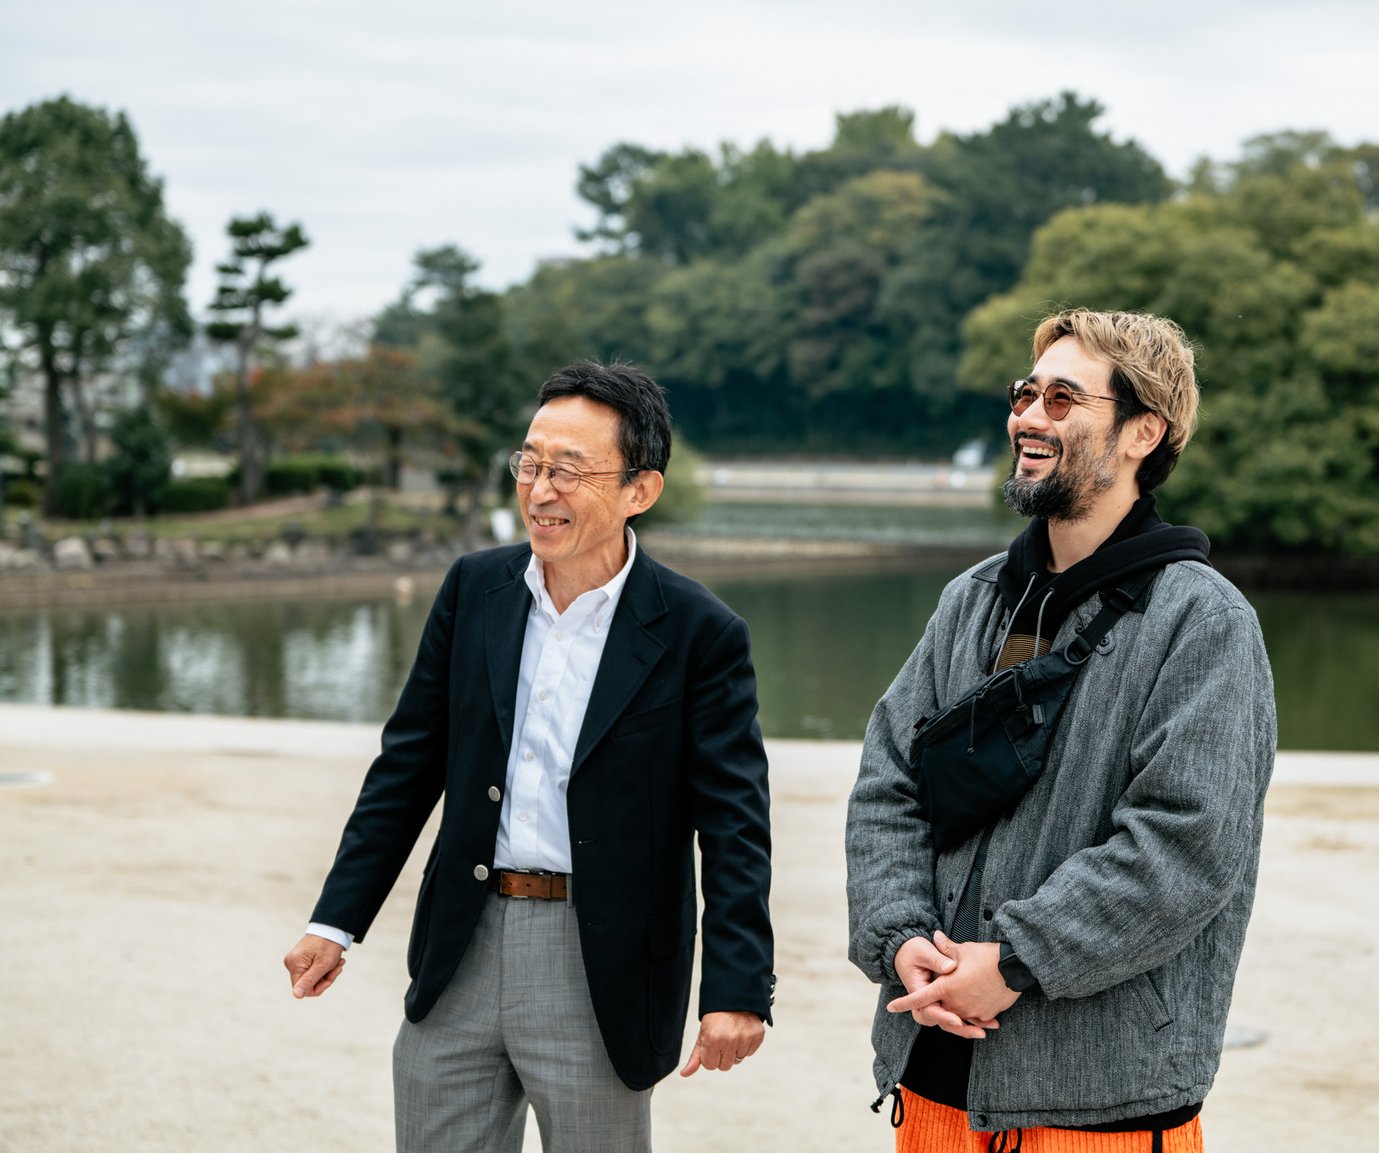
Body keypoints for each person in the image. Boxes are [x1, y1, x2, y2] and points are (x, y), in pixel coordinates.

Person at [283, 361, 774, 1153]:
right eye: (531, 463)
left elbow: (734, 824)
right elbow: (408, 765)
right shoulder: (474, 589)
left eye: (570, 470)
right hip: (462, 941)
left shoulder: (697, 631)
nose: (541, 489)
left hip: (601, 955)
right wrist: (335, 920)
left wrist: (738, 986)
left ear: (640, 490)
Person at [846, 309, 1276, 1150]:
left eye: (1063, 398)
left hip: (1099, 1097)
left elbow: (1186, 845)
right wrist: (900, 938)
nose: (1029, 417)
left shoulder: (1206, 622)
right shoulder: (972, 599)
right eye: (1025, 393)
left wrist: (1012, 962)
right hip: (931, 1076)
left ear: (1141, 433)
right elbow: (887, 782)